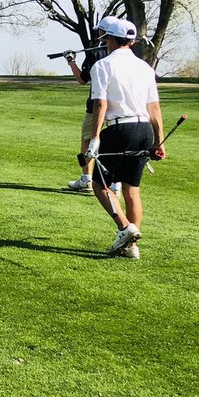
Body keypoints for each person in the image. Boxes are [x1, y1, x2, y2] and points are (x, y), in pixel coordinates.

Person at [86, 16, 164, 259]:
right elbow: (154, 107)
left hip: (119, 129)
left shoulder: (103, 65)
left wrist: (94, 138)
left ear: (109, 39)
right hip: (143, 131)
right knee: (132, 189)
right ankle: (132, 248)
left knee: (100, 184)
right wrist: (159, 140)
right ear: (130, 42)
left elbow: (100, 103)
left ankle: (125, 228)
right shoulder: (145, 67)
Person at [64, 33, 116, 193]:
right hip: (121, 106)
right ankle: (115, 183)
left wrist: (70, 61)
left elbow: (82, 79)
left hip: (96, 105)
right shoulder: (131, 56)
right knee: (116, 143)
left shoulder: (96, 53)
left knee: (87, 141)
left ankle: (87, 178)